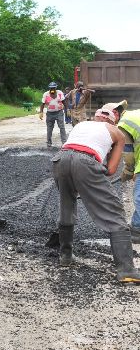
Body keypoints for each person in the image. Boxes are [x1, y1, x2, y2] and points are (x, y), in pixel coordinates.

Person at [51, 106, 140, 283]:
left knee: (67, 206)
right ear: (112, 121)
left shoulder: (81, 125)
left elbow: (72, 152)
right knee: (114, 211)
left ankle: (65, 257)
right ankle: (126, 270)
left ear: (96, 117)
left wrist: (80, 181)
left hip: (60, 160)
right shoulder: (117, 133)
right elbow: (111, 170)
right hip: (86, 162)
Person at [115, 104, 140, 243]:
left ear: (115, 114)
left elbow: (129, 154)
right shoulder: (135, 114)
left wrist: (129, 170)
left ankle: (137, 230)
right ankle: (136, 228)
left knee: (139, 197)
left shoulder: (124, 124)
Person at [39, 82, 67, 148]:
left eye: (53, 88)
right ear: (49, 88)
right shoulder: (46, 94)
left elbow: (64, 102)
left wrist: (67, 110)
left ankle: (64, 142)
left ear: (55, 88)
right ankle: (49, 143)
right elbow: (42, 104)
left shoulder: (59, 93)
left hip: (59, 112)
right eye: (51, 88)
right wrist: (41, 112)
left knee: (62, 127)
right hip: (50, 114)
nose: (52, 89)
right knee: (49, 128)